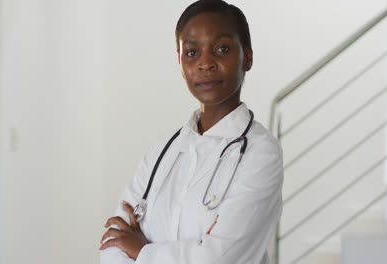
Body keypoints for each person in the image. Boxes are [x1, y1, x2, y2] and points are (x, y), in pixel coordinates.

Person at [99, 0, 284, 263]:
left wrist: (142, 250)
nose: (205, 63)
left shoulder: (260, 153)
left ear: (248, 57)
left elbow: (220, 257)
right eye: (191, 53)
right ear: (180, 61)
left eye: (222, 49)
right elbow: (112, 246)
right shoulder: (164, 151)